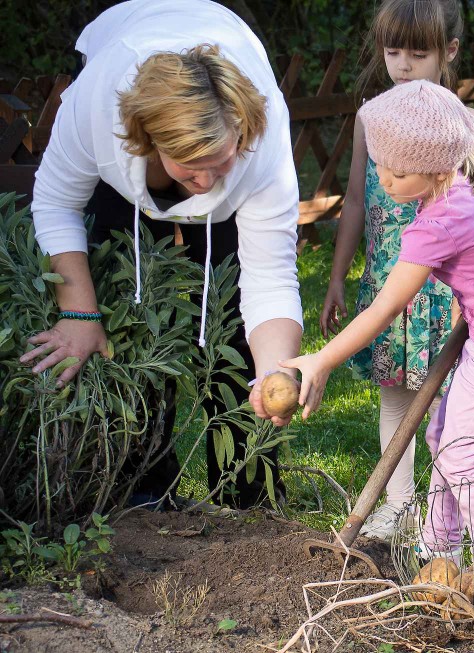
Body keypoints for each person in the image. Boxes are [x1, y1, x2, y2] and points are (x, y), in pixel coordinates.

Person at [24, 0, 301, 507]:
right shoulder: (97, 112)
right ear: (148, 141)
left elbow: (272, 274)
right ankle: (140, 493)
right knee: (129, 318)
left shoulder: (264, 141)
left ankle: (250, 495)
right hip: (125, 168)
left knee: (233, 324)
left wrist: (274, 372)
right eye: (190, 169)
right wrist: (80, 312)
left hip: (222, 163)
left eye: (220, 162)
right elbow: (56, 203)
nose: (206, 183)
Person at [281, 80, 474, 568]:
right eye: (379, 166)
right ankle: (439, 552)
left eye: (395, 171)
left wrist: (322, 359)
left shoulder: (439, 223)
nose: (384, 180)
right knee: (440, 438)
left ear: (434, 166)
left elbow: (386, 307)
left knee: (460, 454)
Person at [321, 0, 474, 542]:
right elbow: (352, 200)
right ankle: (397, 509)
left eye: (419, 53)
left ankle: (443, 520)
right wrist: (339, 276)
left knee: (443, 408)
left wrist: (472, 298)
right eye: (394, 51)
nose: (404, 64)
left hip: (442, 290)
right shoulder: (372, 118)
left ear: (449, 52)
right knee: (395, 398)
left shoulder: (466, 126)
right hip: (386, 288)